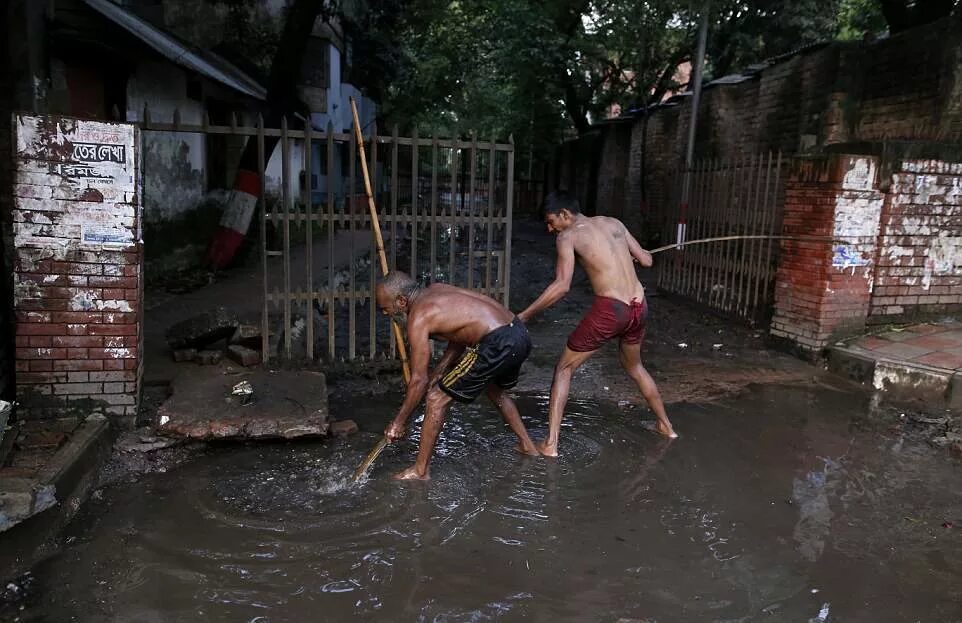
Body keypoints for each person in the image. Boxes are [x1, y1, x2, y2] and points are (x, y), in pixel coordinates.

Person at [517, 191, 677, 457]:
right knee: (635, 366)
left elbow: (561, 286)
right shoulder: (614, 223)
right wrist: (638, 255)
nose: (549, 228)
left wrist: (525, 315)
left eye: (550, 221)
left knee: (564, 368)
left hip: (612, 311)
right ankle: (666, 425)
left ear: (565, 214)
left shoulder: (567, 237)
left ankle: (551, 444)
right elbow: (647, 260)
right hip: (639, 308)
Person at [376, 271, 540, 480]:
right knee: (493, 388)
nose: (385, 314)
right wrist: (440, 370)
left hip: (498, 342)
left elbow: (419, 381)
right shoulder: (437, 289)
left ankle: (420, 471)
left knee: (436, 399)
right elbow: (461, 332)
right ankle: (527, 445)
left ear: (401, 301)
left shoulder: (418, 317)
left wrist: (399, 422)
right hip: (518, 332)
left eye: (385, 308)